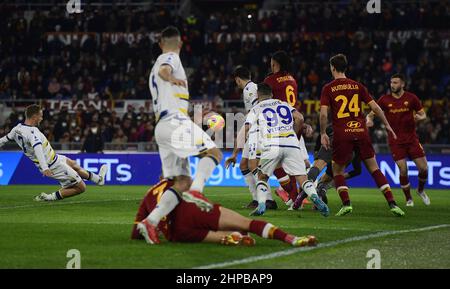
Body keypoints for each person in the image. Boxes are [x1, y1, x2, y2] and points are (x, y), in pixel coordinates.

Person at [138, 26, 222, 244]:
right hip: (175, 121)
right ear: (180, 43)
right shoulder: (169, 56)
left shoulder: (159, 60)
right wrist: (171, 78)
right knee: (213, 152)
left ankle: (150, 221)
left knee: (181, 181)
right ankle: (197, 192)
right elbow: (164, 70)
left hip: (163, 126)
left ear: (160, 42)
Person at [319, 54, 405, 217]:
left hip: (342, 133)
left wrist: (323, 132)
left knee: (337, 171)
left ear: (333, 68)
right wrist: (387, 125)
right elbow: (376, 108)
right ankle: (392, 203)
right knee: (374, 169)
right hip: (361, 130)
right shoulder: (357, 86)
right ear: (346, 67)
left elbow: (323, 115)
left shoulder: (328, 88)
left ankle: (346, 204)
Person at [131, 178, 317, 247]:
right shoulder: (177, 183)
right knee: (246, 223)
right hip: (193, 210)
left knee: (218, 236)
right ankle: (292, 239)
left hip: (177, 233)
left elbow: (136, 231)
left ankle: (231, 237)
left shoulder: (149, 193)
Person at [245, 83, 329, 217]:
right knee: (302, 177)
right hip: (291, 142)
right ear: (272, 94)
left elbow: (247, 128)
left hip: (272, 143)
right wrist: (293, 134)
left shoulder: (255, 109)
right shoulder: (283, 103)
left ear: (257, 95)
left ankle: (261, 205)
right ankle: (315, 197)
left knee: (263, 177)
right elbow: (300, 118)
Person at [0, 104, 107, 201]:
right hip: (52, 164)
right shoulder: (33, 132)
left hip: (54, 158)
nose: (41, 118)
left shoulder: (17, 129)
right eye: (40, 116)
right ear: (35, 117)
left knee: (74, 164)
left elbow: (4, 140)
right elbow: (38, 149)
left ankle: (98, 179)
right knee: (81, 187)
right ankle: (48, 197)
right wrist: (45, 167)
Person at [366, 73, 430, 207]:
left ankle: (420, 190)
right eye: (391, 82)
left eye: (395, 83)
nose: (392, 85)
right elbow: (371, 114)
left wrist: (420, 118)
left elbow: (423, 114)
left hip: (412, 139)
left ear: (402, 84)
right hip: (395, 140)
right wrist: (369, 120)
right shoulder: (384, 100)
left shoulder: (411, 98)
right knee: (403, 169)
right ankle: (409, 199)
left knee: (424, 168)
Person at [225, 66, 277, 209]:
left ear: (237, 79)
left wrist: (246, 128)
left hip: (258, 130)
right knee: (244, 165)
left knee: (254, 165)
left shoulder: (249, 90)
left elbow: (258, 108)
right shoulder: (251, 88)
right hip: (253, 128)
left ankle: (268, 199)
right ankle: (256, 199)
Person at [263, 50, 310, 205]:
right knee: (302, 163)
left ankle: (291, 194)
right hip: (294, 123)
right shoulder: (292, 79)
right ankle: (302, 195)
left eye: (272, 63)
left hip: (278, 126)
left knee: (274, 161)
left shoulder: (270, 80)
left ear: (275, 63)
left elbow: (265, 103)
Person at [293, 126, 362, 209]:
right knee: (324, 181)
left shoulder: (338, 121)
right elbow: (358, 169)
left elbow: (324, 132)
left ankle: (300, 197)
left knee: (316, 168)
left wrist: (317, 149)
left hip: (333, 140)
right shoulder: (359, 129)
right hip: (348, 149)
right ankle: (321, 193)